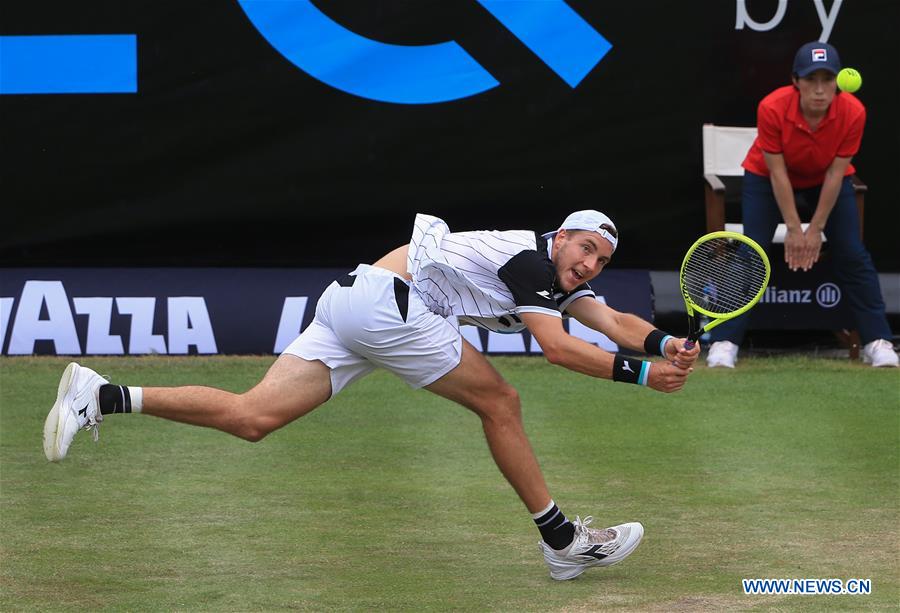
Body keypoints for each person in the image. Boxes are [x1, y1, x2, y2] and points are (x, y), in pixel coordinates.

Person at [44, 210, 700, 581]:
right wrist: (639, 376)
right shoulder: (529, 261)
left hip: (355, 299)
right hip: (391, 305)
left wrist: (663, 345)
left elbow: (612, 323)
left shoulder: (558, 274)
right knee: (500, 401)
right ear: (559, 237)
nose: (588, 264)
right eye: (584, 248)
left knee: (254, 416)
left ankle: (102, 396)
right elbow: (557, 348)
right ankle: (561, 540)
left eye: (599, 260)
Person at [707, 41, 898, 369]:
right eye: (811, 79)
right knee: (752, 252)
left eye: (828, 79)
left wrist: (816, 229)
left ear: (838, 81)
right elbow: (777, 172)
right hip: (767, 179)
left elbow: (837, 173)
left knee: (852, 252)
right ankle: (725, 341)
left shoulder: (854, 112)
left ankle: (876, 340)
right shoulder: (771, 107)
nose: (820, 90)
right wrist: (795, 229)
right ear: (796, 81)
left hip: (825, 181)